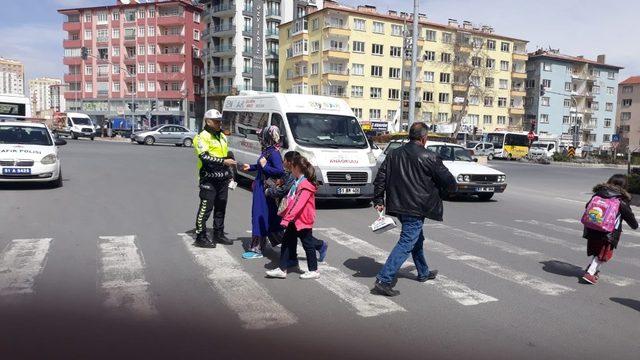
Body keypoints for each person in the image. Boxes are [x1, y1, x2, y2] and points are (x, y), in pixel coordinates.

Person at [371, 122, 456, 296]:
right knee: (406, 242)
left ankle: (423, 272)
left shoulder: (394, 154)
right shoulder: (430, 157)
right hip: (417, 207)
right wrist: (444, 190)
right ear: (424, 138)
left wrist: (379, 198)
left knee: (416, 238)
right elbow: (449, 182)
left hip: (399, 205)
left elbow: (381, 177)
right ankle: (383, 280)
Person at [266, 155, 325, 279]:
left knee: (308, 244)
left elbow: (298, 204)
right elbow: (292, 200)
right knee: (287, 242)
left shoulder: (305, 185)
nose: (290, 170)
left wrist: (286, 219)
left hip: (302, 219)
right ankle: (282, 269)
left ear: (297, 168)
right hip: (295, 219)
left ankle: (313, 270)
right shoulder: (298, 182)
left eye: (292, 168)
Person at [582, 174, 638, 284]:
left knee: (597, 250)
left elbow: (587, 206)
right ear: (624, 186)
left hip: (592, 227)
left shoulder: (598, 193)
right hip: (609, 232)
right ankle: (590, 273)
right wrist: (635, 226)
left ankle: (593, 269)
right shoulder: (621, 199)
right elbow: (629, 215)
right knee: (604, 254)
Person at [192, 109, 236, 248]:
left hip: (223, 179)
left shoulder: (222, 136)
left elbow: (227, 155)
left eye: (220, 121)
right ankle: (200, 236)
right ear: (208, 121)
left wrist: (230, 175)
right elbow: (204, 157)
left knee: (221, 208)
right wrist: (224, 162)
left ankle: (219, 233)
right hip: (208, 180)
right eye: (216, 121)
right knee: (205, 209)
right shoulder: (201, 137)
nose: (219, 124)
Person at [241, 126, 285, 259]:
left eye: (262, 137)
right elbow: (262, 166)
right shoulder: (268, 150)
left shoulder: (274, 153)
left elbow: (280, 171)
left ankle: (257, 248)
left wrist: (265, 166)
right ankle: (275, 243)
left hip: (265, 190)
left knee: (259, 216)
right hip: (261, 187)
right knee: (269, 217)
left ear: (268, 138)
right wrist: (252, 167)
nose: (260, 139)